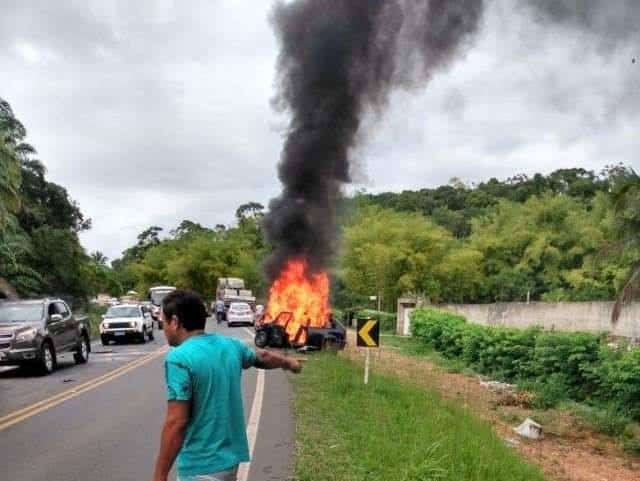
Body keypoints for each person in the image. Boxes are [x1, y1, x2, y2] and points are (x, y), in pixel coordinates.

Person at [151, 289, 301, 481]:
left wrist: (160, 474)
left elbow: (176, 422)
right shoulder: (230, 345)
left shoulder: (179, 358)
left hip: (201, 466)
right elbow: (262, 357)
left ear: (175, 321)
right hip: (230, 461)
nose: (163, 328)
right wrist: (288, 363)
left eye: (163, 322)